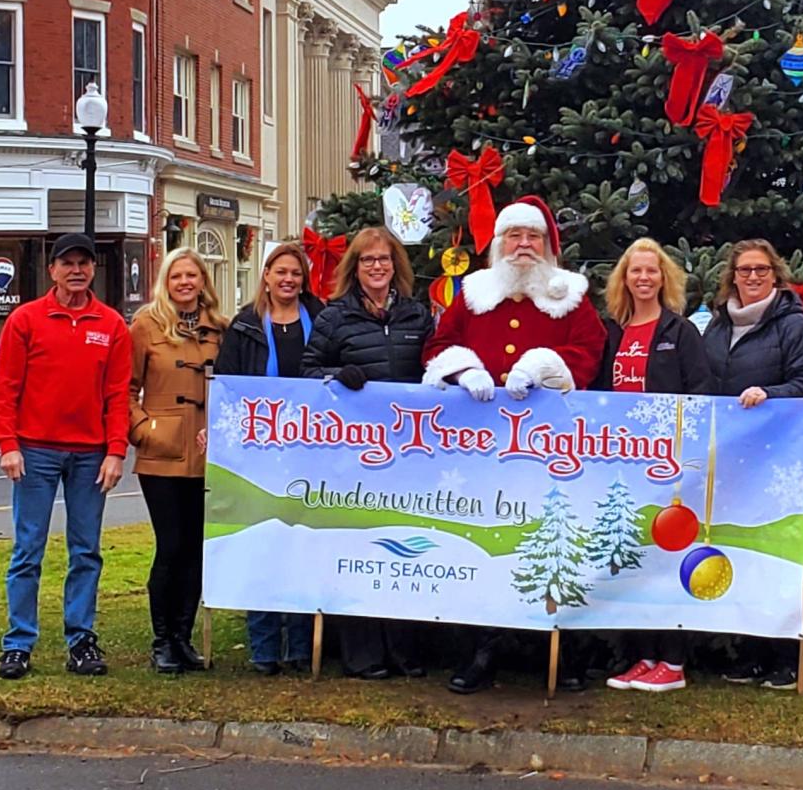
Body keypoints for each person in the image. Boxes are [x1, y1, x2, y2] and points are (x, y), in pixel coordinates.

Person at [422, 196, 607, 693]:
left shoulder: (570, 296)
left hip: (549, 449)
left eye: (533, 237)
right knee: (488, 542)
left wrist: (545, 362)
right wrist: (465, 368)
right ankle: (483, 649)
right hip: (485, 452)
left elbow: (589, 351)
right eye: (514, 236)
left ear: (547, 246)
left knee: (552, 541)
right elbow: (437, 348)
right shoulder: (473, 293)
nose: (523, 246)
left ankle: (561, 652)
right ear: (499, 243)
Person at [0, 232, 130, 679]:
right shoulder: (26, 320)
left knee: (86, 550)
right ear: (52, 270)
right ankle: (18, 642)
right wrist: (8, 445)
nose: (76, 270)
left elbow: (117, 396)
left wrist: (115, 452)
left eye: (83, 263)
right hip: (35, 452)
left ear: (93, 270)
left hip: (90, 456)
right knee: (27, 550)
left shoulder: (111, 326)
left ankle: (81, 640)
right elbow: (5, 388)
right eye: (67, 263)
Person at [301, 225, 433, 679]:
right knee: (360, 548)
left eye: (384, 259)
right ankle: (362, 653)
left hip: (410, 455)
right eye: (367, 260)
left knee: (405, 549)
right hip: (353, 456)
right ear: (354, 268)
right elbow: (308, 372)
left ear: (396, 264)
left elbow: (436, 371)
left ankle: (405, 649)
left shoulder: (417, 315)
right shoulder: (334, 317)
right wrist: (339, 372)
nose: (377, 267)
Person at [702, 238, 803, 690]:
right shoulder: (716, 325)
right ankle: (751, 653)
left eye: (761, 270)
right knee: (738, 548)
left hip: (775, 457)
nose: (752, 277)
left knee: (774, 552)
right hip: (728, 456)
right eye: (744, 270)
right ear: (732, 275)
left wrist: (771, 396)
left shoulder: (793, 325)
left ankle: (785, 657)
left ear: (776, 274)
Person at [596, 237, 712, 694]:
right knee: (636, 559)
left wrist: (686, 456)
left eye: (652, 270)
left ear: (665, 278)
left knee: (669, 555)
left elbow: (701, 394)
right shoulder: (612, 331)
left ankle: (674, 660)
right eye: (635, 271)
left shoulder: (680, 332)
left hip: (669, 466)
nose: (644, 278)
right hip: (623, 465)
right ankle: (643, 657)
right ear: (623, 279)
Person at [216, 239, 324, 675]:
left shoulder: (320, 319)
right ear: (266, 276)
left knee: (302, 543)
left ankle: (300, 645)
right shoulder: (245, 325)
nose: (288, 279)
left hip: (314, 449)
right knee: (262, 542)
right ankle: (263, 646)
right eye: (280, 271)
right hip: (258, 452)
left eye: (295, 273)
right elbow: (226, 384)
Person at [129, 247, 226, 675]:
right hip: (162, 453)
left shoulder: (220, 329)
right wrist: (144, 429)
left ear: (203, 280)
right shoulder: (146, 325)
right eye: (177, 276)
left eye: (192, 275)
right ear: (165, 282)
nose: (185, 283)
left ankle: (184, 638)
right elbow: (126, 388)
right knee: (170, 546)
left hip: (209, 453)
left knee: (197, 549)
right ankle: (162, 639)